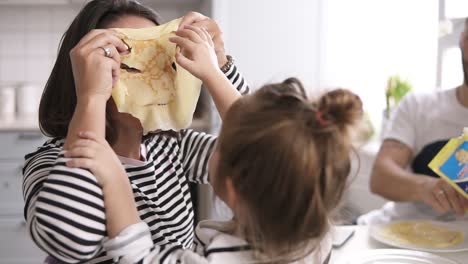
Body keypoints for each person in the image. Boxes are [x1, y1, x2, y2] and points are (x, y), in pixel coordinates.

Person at [68, 29, 363, 262]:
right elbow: (262, 145)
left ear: (233, 186)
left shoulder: (220, 258)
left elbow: (139, 258)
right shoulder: (317, 237)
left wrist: (115, 178)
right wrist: (213, 71)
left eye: (222, 144)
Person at [21, 0, 249, 263]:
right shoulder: (51, 163)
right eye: (129, 67)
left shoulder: (172, 146)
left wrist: (219, 66)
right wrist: (91, 98)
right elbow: (70, 241)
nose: (156, 82)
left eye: (164, 65)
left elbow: (264, 155)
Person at [357, 18, 468, 225]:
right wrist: (426, 187)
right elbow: (380, 177)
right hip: (397, 233)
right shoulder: (419, 104)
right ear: (462, 40)